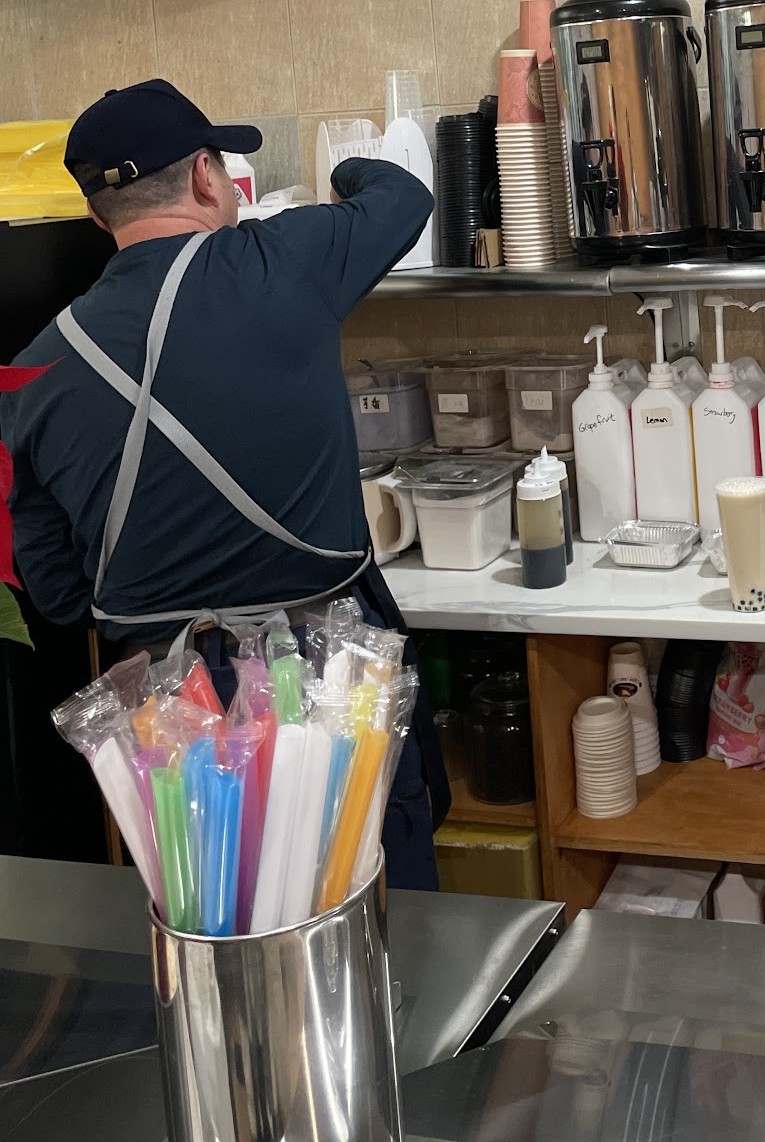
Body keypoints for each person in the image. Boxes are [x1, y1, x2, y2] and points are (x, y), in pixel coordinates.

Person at [0, 77, 448, 885]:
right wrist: (341, 174)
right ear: (208, 177)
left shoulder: (30, 371)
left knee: (218, 913)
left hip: (169, 710)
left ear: (98, 218)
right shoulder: (284, 257)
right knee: (364, 897)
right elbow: (402, 193)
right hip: (324, 675)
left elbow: (58, 594)